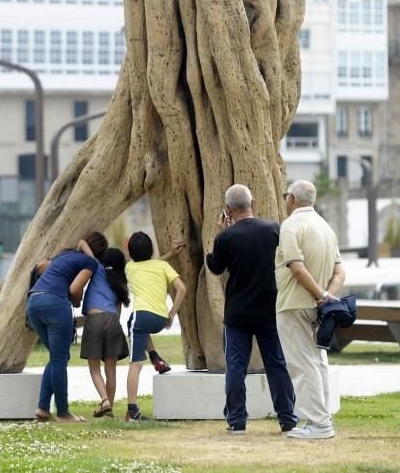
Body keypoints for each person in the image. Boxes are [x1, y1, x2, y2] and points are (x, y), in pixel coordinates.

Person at [207, 184, 297, 435]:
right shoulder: (274, 230)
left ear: (228, 209)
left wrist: (222, 233)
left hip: (238, 313)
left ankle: (237, 420)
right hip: (270, 309)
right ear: (253, 203)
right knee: (276, 364)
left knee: (235, 367)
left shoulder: (226, 237)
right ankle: (288, 418)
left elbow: (216, 267)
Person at [276, 180, 346, 440]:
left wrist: (320, 293)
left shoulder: (292, 225)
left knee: (303, 365)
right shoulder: (326, 227)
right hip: (318, 308)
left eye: (286, 197)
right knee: (317, 364)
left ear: (291, 199)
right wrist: (327, 295)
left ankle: (318, 424)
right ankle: (322, 419)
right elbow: (340, 271)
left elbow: (295, 266)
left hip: (294, 304)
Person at [27, 239, 97, 423]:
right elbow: (75, 289)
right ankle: (63, 413)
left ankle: (42, 408)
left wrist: (81, 243)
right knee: (59, 359)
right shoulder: (89, 262)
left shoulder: (59, 258)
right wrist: (77, 301)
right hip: (55, 303)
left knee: (57, 357)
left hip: (33, 302)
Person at [124, 231, 186, 422]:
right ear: (151, 249)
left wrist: (168, 254)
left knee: (135, 364)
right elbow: (182, 289)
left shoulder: (130, 268)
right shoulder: (163, 266)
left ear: (130, 253)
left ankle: (132, 411)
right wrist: (171, 314)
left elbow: (146, 265)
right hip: (160, 319)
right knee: (135, 327)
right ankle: (155, 357)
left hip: (141, 317)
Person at [76, 233, 128, 419]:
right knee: (111, 369)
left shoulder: (97, 267)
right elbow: (118, 311)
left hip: (95, 320)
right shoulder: (121, 282)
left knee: (94, 368)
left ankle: (104, 400)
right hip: (113, 322)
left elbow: (82, 242)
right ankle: (109, 410)